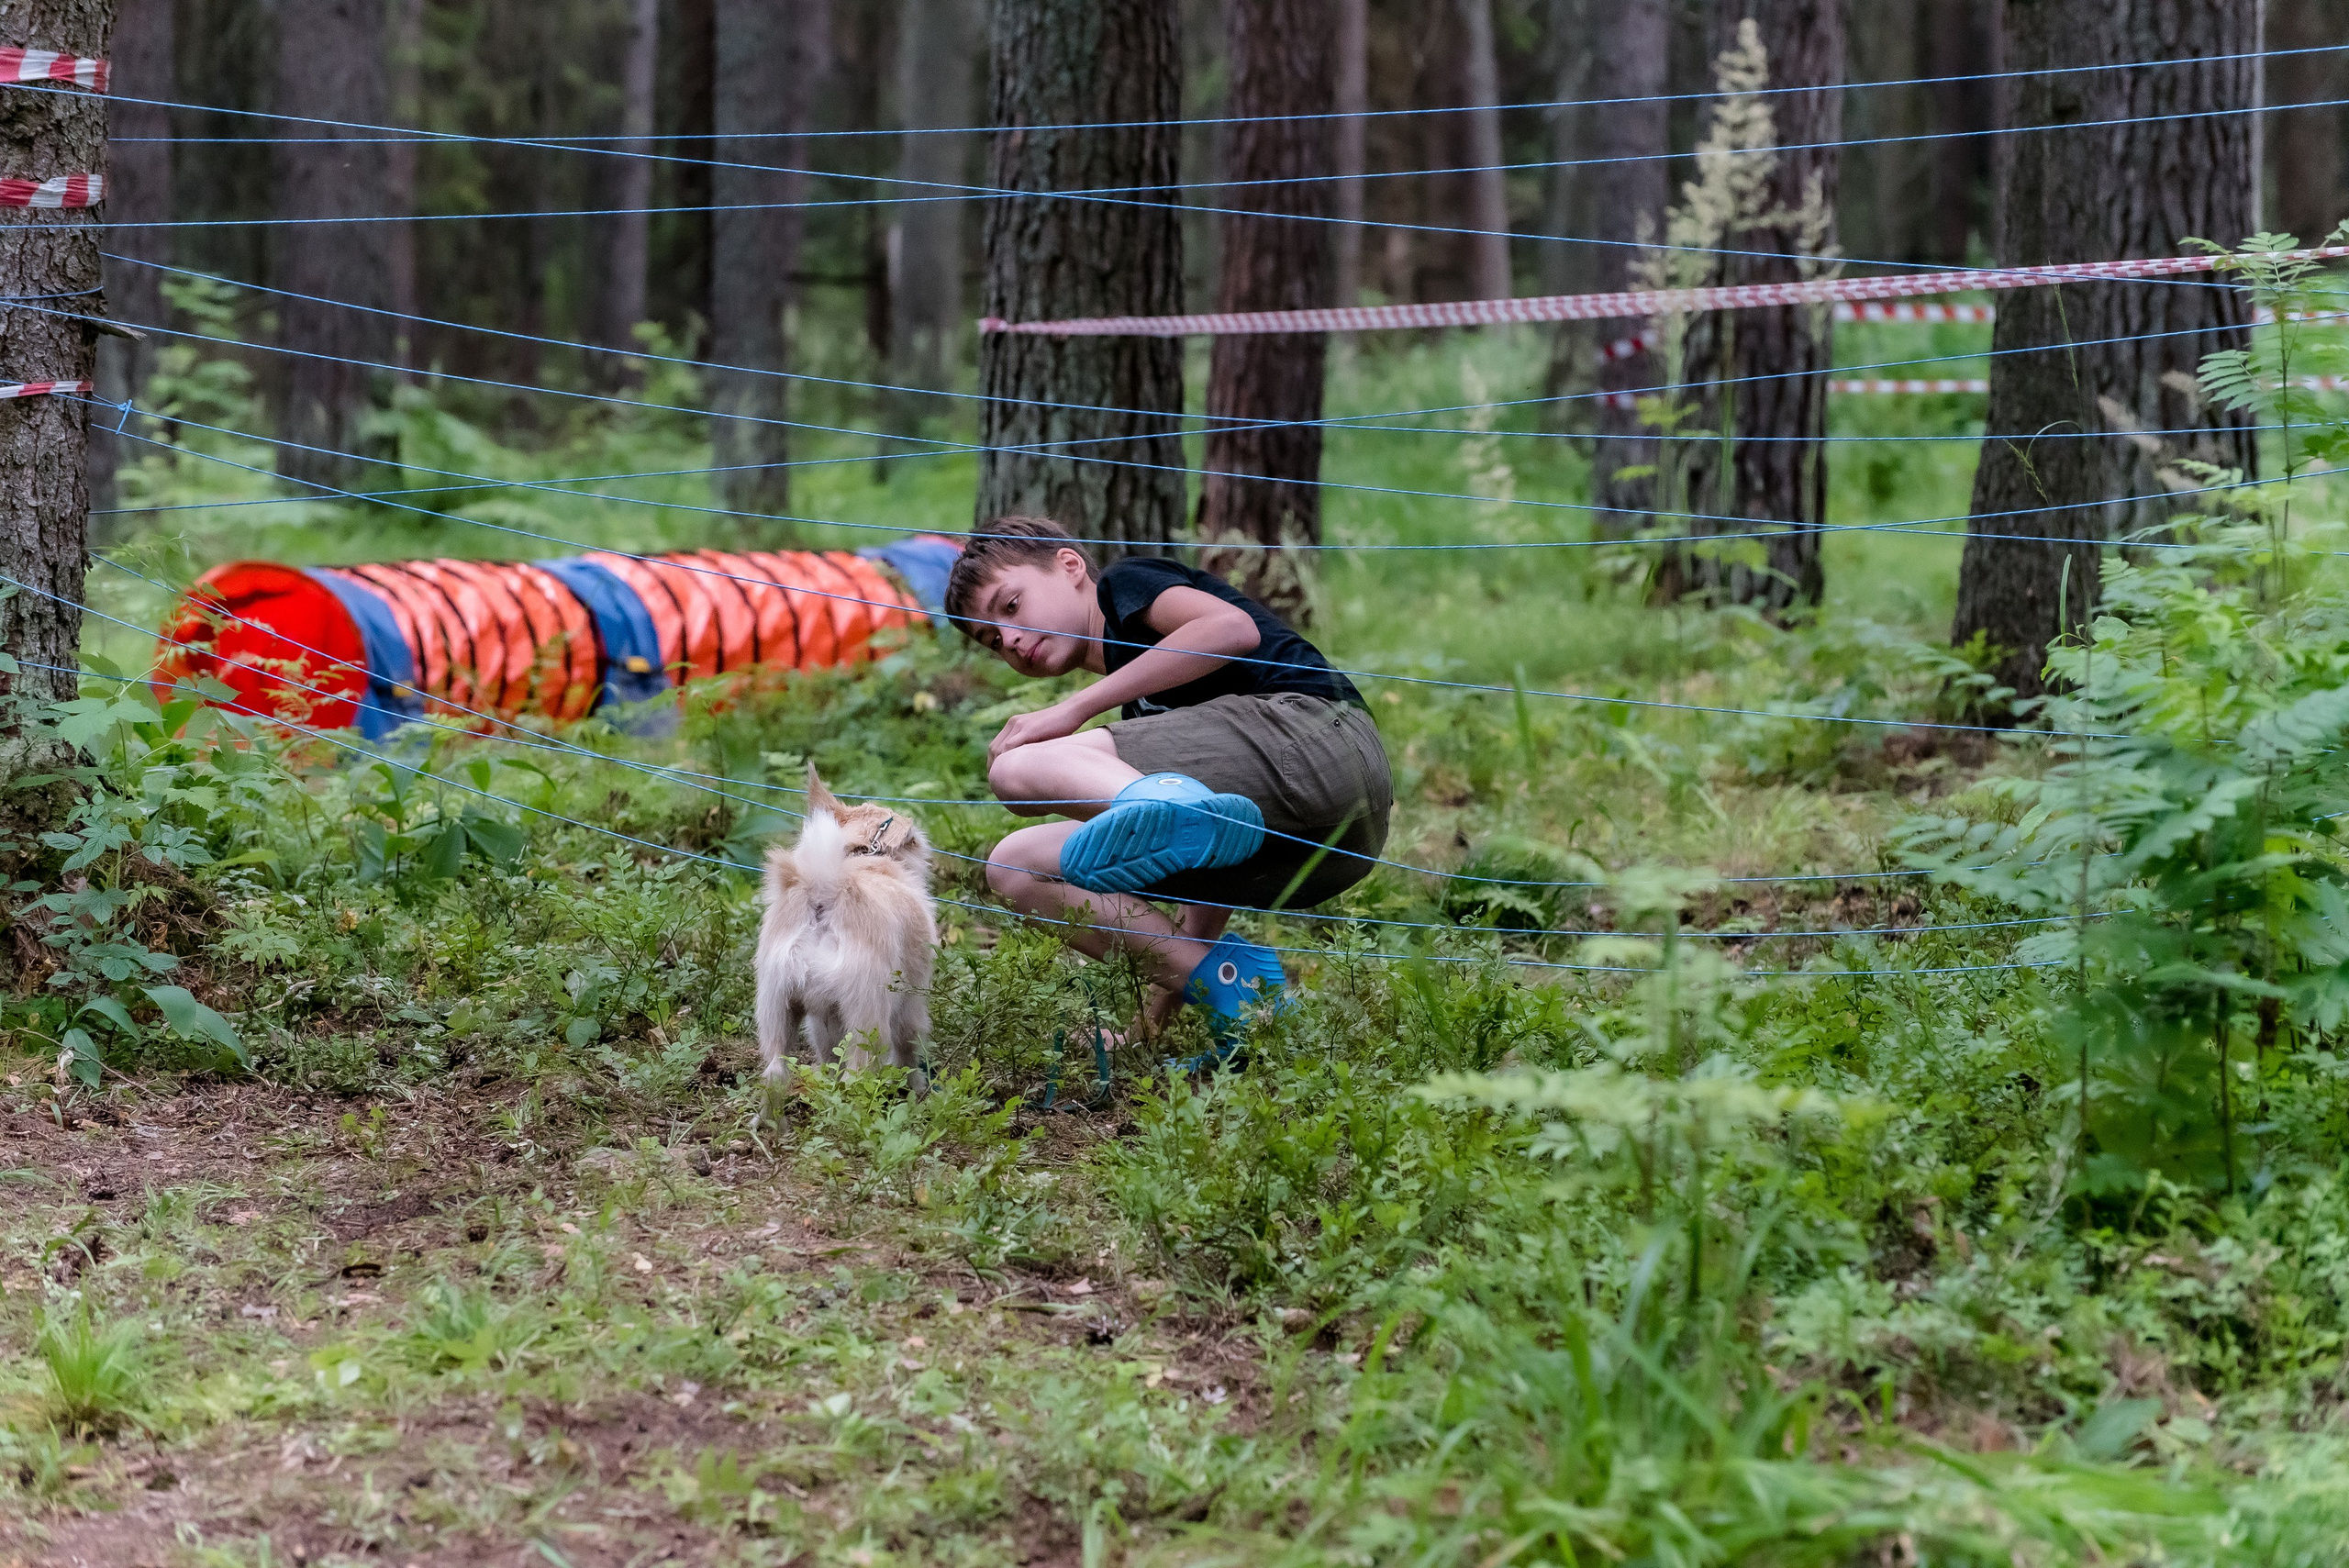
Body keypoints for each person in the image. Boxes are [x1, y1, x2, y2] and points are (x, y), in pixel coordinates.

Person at [942, 516, 1392, 1061]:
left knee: (1015, 768)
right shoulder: (1148, 719)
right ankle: (1235, 994)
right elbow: (1207, 892)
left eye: (1011, 606)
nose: (1010, 639)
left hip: (1320, 738)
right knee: (1013, 867)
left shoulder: (1124, 586)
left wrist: (1074, 709)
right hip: (1329, 849)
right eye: (992, 640)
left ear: (1070, 564)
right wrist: (1148, 1027)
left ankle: (1166, 807)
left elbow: (1231, 629)